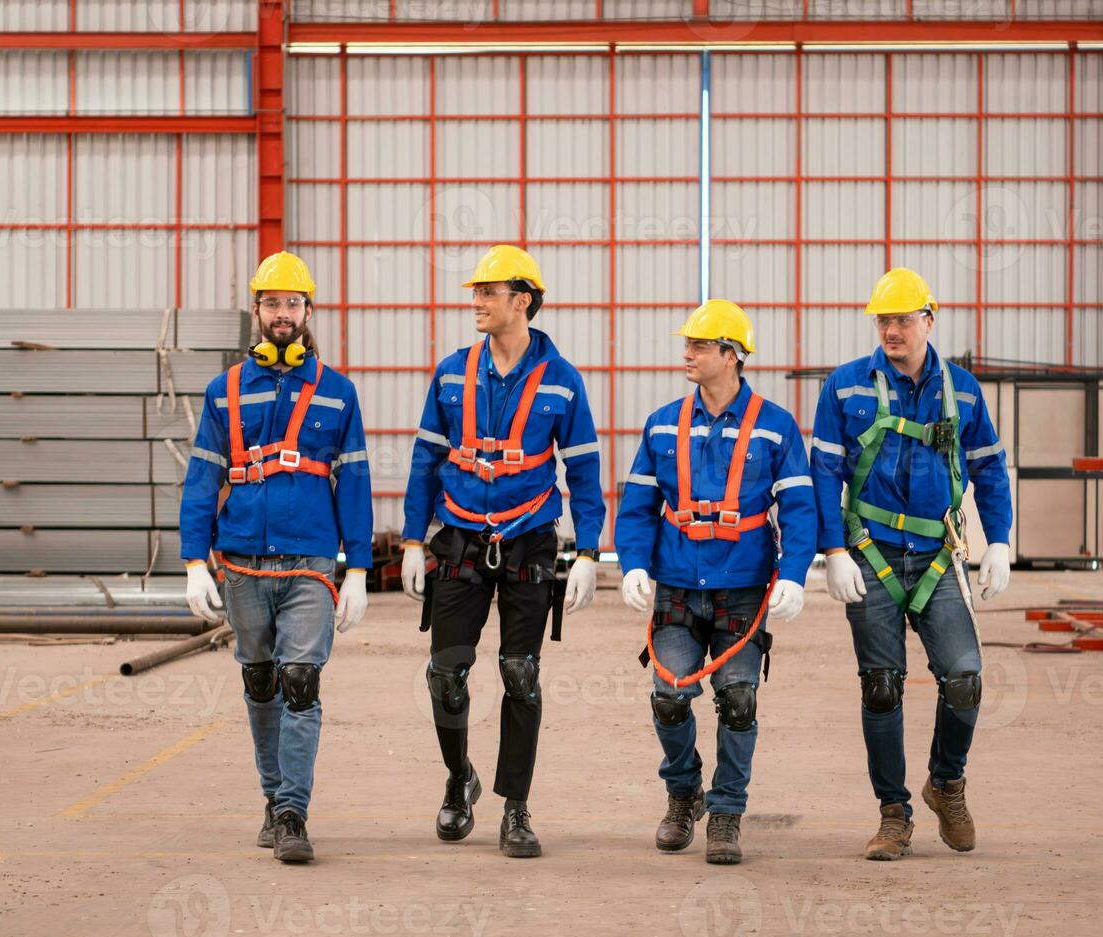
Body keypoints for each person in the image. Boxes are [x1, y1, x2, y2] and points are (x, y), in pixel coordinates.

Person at [399, 244, 605, 858]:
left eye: (489, 292)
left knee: (521, 674)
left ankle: (515, 807)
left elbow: (586, 473)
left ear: (524, 300)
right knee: (446, 676)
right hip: (459, 540)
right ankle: (460, 780)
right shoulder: (450, 373)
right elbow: (425, 461)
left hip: (530, 544)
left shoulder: (563, 383)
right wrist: (414, 539)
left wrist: (590, 551)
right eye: (476, 292)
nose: (477, 302)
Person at [810, 268, 1013, 861]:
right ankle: (893, 814)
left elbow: (989, 471)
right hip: (869, 554)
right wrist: (833, 551)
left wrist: (995, 540)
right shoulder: (845, 387)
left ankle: (946, 783)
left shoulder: (965, 392)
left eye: (902, 319)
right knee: (881, 687)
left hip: (935, 555)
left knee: (964, 677)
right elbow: (824, 474)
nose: (891, 330)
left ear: (930, 319)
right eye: (883, 320)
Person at [179, 251, 373, 864]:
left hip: (310, 565)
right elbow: (202, 481)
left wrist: (361, 569)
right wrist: (191, 562)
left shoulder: (338, 394)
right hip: (241, 564)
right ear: (257, 312)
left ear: (308, 310)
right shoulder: (225, 392)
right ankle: (272, 799)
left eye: (293, 303)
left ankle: (293, 813)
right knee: (260, 681)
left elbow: (357, 484)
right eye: (272, 303)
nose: (283, 313)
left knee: (300, 681)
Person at [615, 299, 813, 865]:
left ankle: (726, 812)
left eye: (699, 346)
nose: (688, 354)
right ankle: (683, 796)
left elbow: (798, 508)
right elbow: (637, 507)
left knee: (739, 700)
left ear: (732, 355)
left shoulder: (775, 428)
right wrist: (632, 563)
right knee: (670, 697)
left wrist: (795, 575)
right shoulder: (660, 425)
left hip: (743, 589)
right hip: (677, 586)